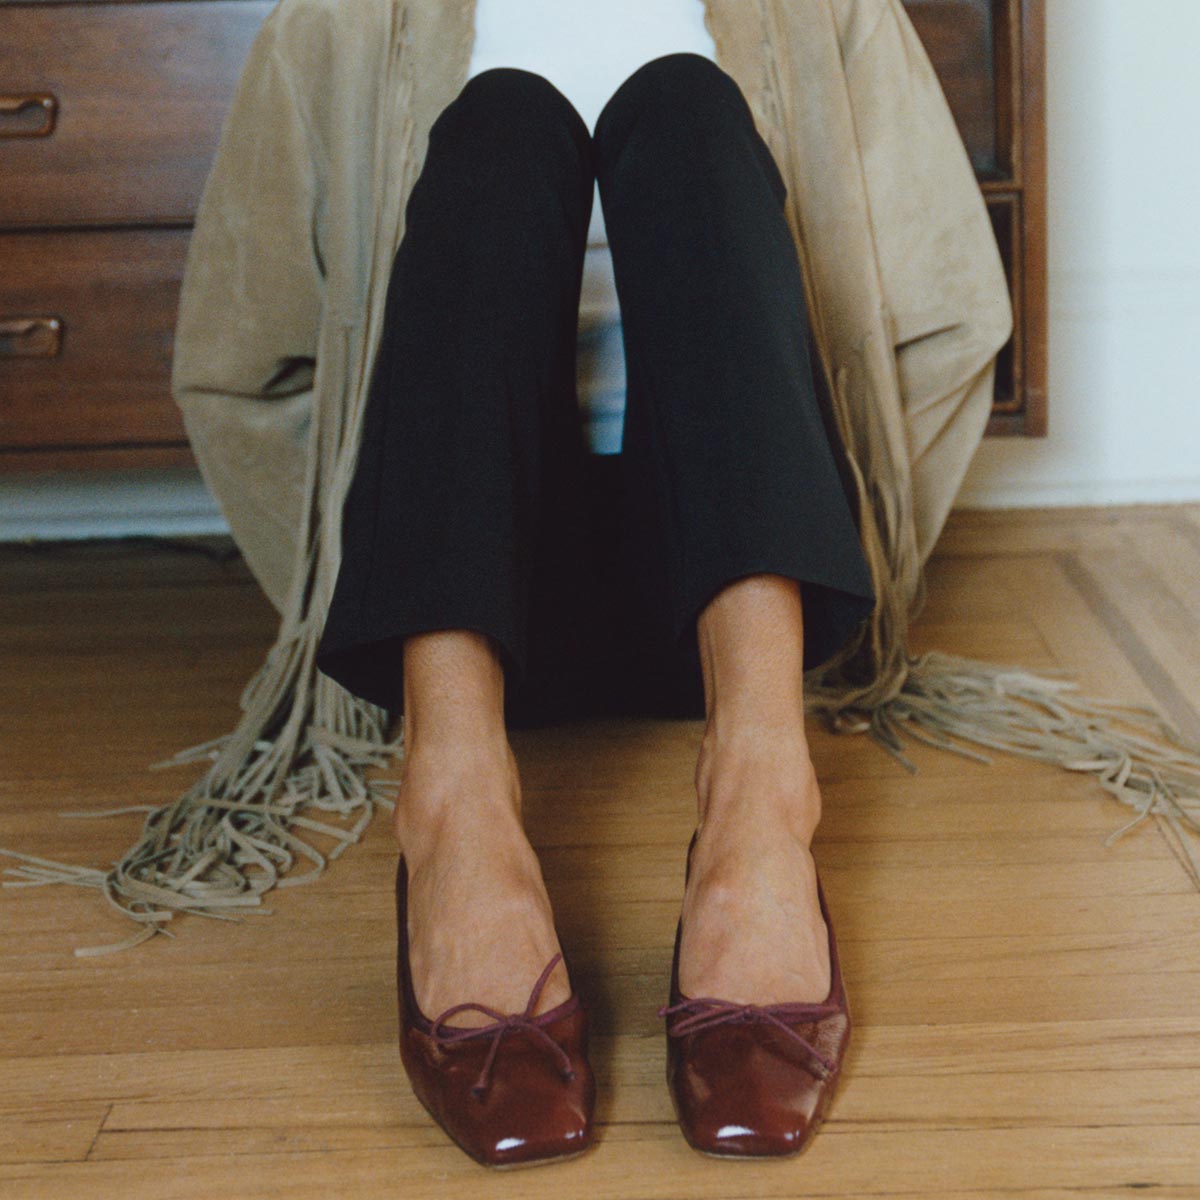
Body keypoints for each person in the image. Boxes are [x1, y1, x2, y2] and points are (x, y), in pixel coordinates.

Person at [313, 1, 875, 1169]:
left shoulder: (821, 9)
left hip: (740, 594)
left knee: (686, 104)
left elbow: (936, 320)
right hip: (472, 603)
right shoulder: (340, 17)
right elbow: (248, 360)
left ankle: (762, 797)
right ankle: (455, 809)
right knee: (501, 126)